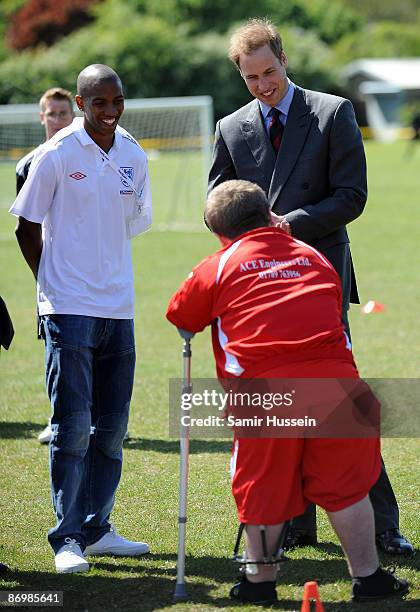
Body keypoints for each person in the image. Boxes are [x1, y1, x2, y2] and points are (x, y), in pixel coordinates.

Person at [208, 17, 413, 557]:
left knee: (339, 404)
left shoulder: (332, 112)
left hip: (319, 282)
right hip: (257, 294)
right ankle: (292, 526)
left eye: (268, 72)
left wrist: (287, 226)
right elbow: (218, 206)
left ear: (283, 59)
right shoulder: (230, 128)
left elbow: (352, 196)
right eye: (250, 79)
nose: (262, 86)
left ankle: (383, 525)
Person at [166, 179, 409, 604]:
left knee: (264, 487)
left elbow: (180, 314)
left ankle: (259, 583)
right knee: (347, 488)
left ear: (220, 231)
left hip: (267, 393)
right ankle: (369, 578)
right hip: (338, 386)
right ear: (270, 215)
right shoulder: (313, 256)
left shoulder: (220, 264)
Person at [10, 64, 152, 573]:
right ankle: (66, 538)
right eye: (99, 103)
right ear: (80, 101)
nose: (110, 112)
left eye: (117, 101)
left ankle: (97, 528)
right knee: (71, 429)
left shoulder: (134, 152)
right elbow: (25, 226)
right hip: (67, 308)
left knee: (111, 429)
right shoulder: (54, 155)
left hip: (120, 306)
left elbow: (131, 223)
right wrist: (49, 282)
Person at [16, 87, 75, 444]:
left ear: (73, 115)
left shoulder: (92, 155)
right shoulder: (28, 165)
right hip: (52, 272)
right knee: (56, 348)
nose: (56, 119)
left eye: (62, 113)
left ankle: (106, 419)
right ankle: (58, 420)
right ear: (42, 117)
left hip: (90, 272)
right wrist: (44, 275)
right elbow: (27, 226)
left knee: (99, 347)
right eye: (50, 113)